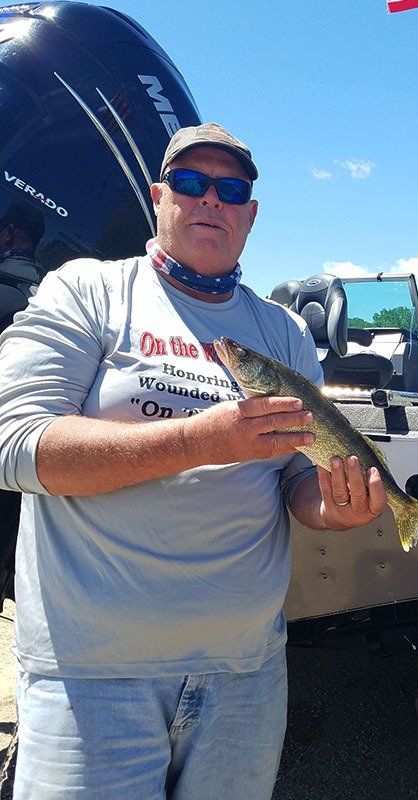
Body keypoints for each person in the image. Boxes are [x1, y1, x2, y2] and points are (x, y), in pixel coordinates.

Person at [0, 122, 386, 800]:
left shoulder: (283, 331)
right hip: (91, 677)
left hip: (246, 678)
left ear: (251, 214)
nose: (211, 199)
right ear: (159, 196)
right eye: (190, 182)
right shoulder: (88, 290)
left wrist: (333, 507)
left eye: (231, 189)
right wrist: (201, 441)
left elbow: (296, 474)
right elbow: (16, 447)